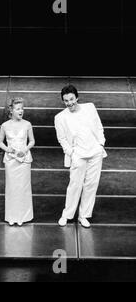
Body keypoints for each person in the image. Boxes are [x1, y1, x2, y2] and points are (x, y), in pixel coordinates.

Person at [55, 85, 107, 228]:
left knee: (91, 185)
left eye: (71, 99)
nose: (69, 103)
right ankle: (67, 215)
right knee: (74, 185)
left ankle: (84, 216)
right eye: (66, 100)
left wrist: (100, 144)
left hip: (95, 152)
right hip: (78, 155)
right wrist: (72, 153)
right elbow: (62, 139)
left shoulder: (90, 107)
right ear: (63, 101)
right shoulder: (60, 118)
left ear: (77, 97)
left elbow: (98, 126)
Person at [0, 98, 35, 226]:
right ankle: (12, 216)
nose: (21, 111)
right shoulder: (5, 125)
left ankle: (23, 216)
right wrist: (8, 149)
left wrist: (24, 150)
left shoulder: (27, 124)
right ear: (11, 110)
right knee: (12, 188)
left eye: (22, 108)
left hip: (24, 159)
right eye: (18, 109)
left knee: (23, 188)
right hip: (10, 160)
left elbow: (32, 141)